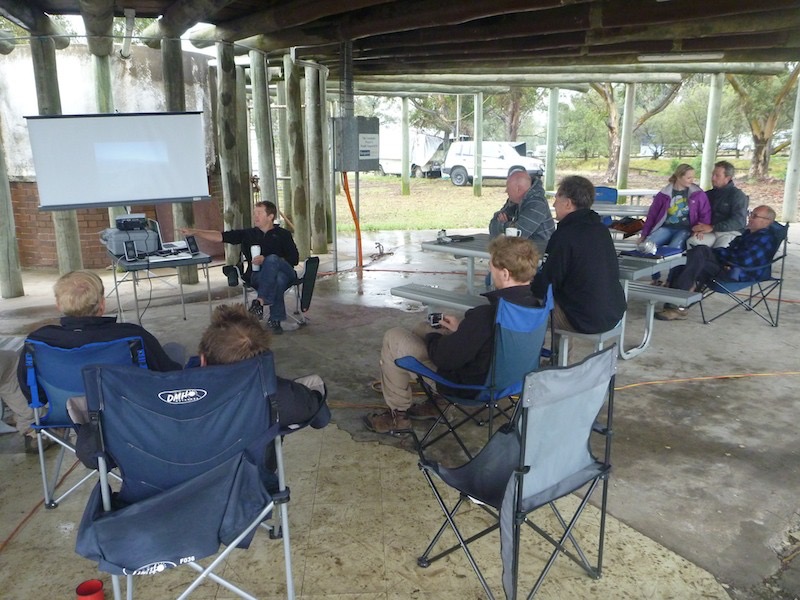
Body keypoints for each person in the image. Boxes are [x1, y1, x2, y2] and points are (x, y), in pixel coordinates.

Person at [364, 236, 542, 435]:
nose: (489, 271)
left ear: (506, 274)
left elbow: (443, 358)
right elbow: (502, 339)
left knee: (394, 337)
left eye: (491, 266)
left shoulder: (485, 316)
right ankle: (436, 405)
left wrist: (436, 337)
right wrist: (462, 331)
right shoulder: (536, 306)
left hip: (470, 387)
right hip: (512, 380)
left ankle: (398, 416)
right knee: (423, 328)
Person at [14, 270, 183, 452]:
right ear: (102, 305)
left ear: (58, 305)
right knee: (175, 351)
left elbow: (33, 393)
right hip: (129, 413)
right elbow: (167, 379)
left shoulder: (38, 341)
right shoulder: (132, 336)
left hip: (66, 415)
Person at [198, 303, 330, 431]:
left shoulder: (182, 402)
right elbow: (321, 419)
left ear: (203, 360)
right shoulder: (282, 396)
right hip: (258, 446)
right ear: (262, 360)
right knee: (314, 383)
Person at [182, 201, 300, 335]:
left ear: (270, 216)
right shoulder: (248, 234)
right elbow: (220, 236)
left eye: (259, 213)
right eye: (254, 213)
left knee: (272, 259)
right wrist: (195, 232)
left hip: (286, 271)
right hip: (258, 276)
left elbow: (294, 259)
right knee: (278, 280)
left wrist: (268, 260)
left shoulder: (283, 234)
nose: (255, 216)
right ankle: (275, 320)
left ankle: (259, 302)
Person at [531, 175, 626, 339]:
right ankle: (561, 357)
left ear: (568, 203)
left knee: (518, 306)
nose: (553, 204)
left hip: (583, 319)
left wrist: (527, 286)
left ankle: (531, 359)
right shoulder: (601, 229)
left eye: (557, 199)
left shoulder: (565, 235)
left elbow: (549, 282)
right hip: (613, 313)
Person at [655, 205, 779, 321]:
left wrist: (717, 255)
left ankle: (677, 302)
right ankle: (678, 302)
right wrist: (716, 253)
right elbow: (731, 252)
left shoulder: (765, 238)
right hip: (729, 266)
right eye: (751, 214)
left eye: (755, 216)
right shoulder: (748, 234)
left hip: (740, 273)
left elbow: (743, 260)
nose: (750, 218)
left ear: (767, 221)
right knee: (692, 256)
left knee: (697, 257)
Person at [489, 169, 555, 254]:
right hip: (522, 252)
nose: (506, 191)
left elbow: (519, 233)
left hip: (538, 257)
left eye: (508, 187)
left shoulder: (537, 203)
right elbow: (493, 224)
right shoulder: (515, 200)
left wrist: (503, 225)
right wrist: (508, 226)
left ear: (518, 189)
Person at [686, 160, 749, 249]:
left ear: (727, 178)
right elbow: (699, 213)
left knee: (720, 250)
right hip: (710, 231)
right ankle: (696, 263)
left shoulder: (738, 196)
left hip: (730, 232)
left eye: (717, 176)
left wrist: (713, 227)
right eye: (713, 174)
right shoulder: (708, 194)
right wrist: (699, 228)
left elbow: (738, 221)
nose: (713, 178)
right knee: (693, 242)